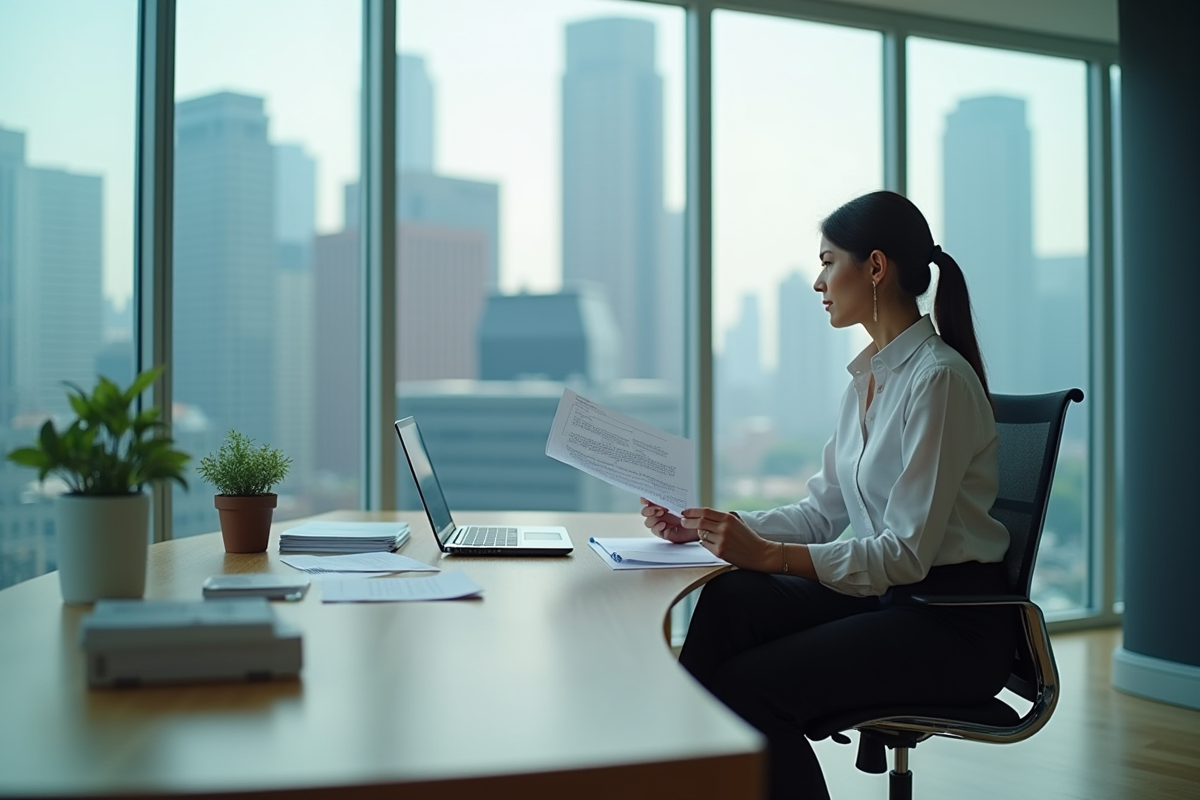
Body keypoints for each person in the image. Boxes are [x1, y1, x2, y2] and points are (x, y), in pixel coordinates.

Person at [641, 190, 1016, 799]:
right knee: (734, 598)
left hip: (951, 626)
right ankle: (678, 771)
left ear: (874, 267)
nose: (819, 281)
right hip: (895, 603)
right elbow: (821, 513)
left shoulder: (938, 381)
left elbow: (904, 555)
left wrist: (771, 556)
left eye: (827, 260)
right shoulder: (868, 379)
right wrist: (711, 526)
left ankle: (681, 772)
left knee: (748, 687)